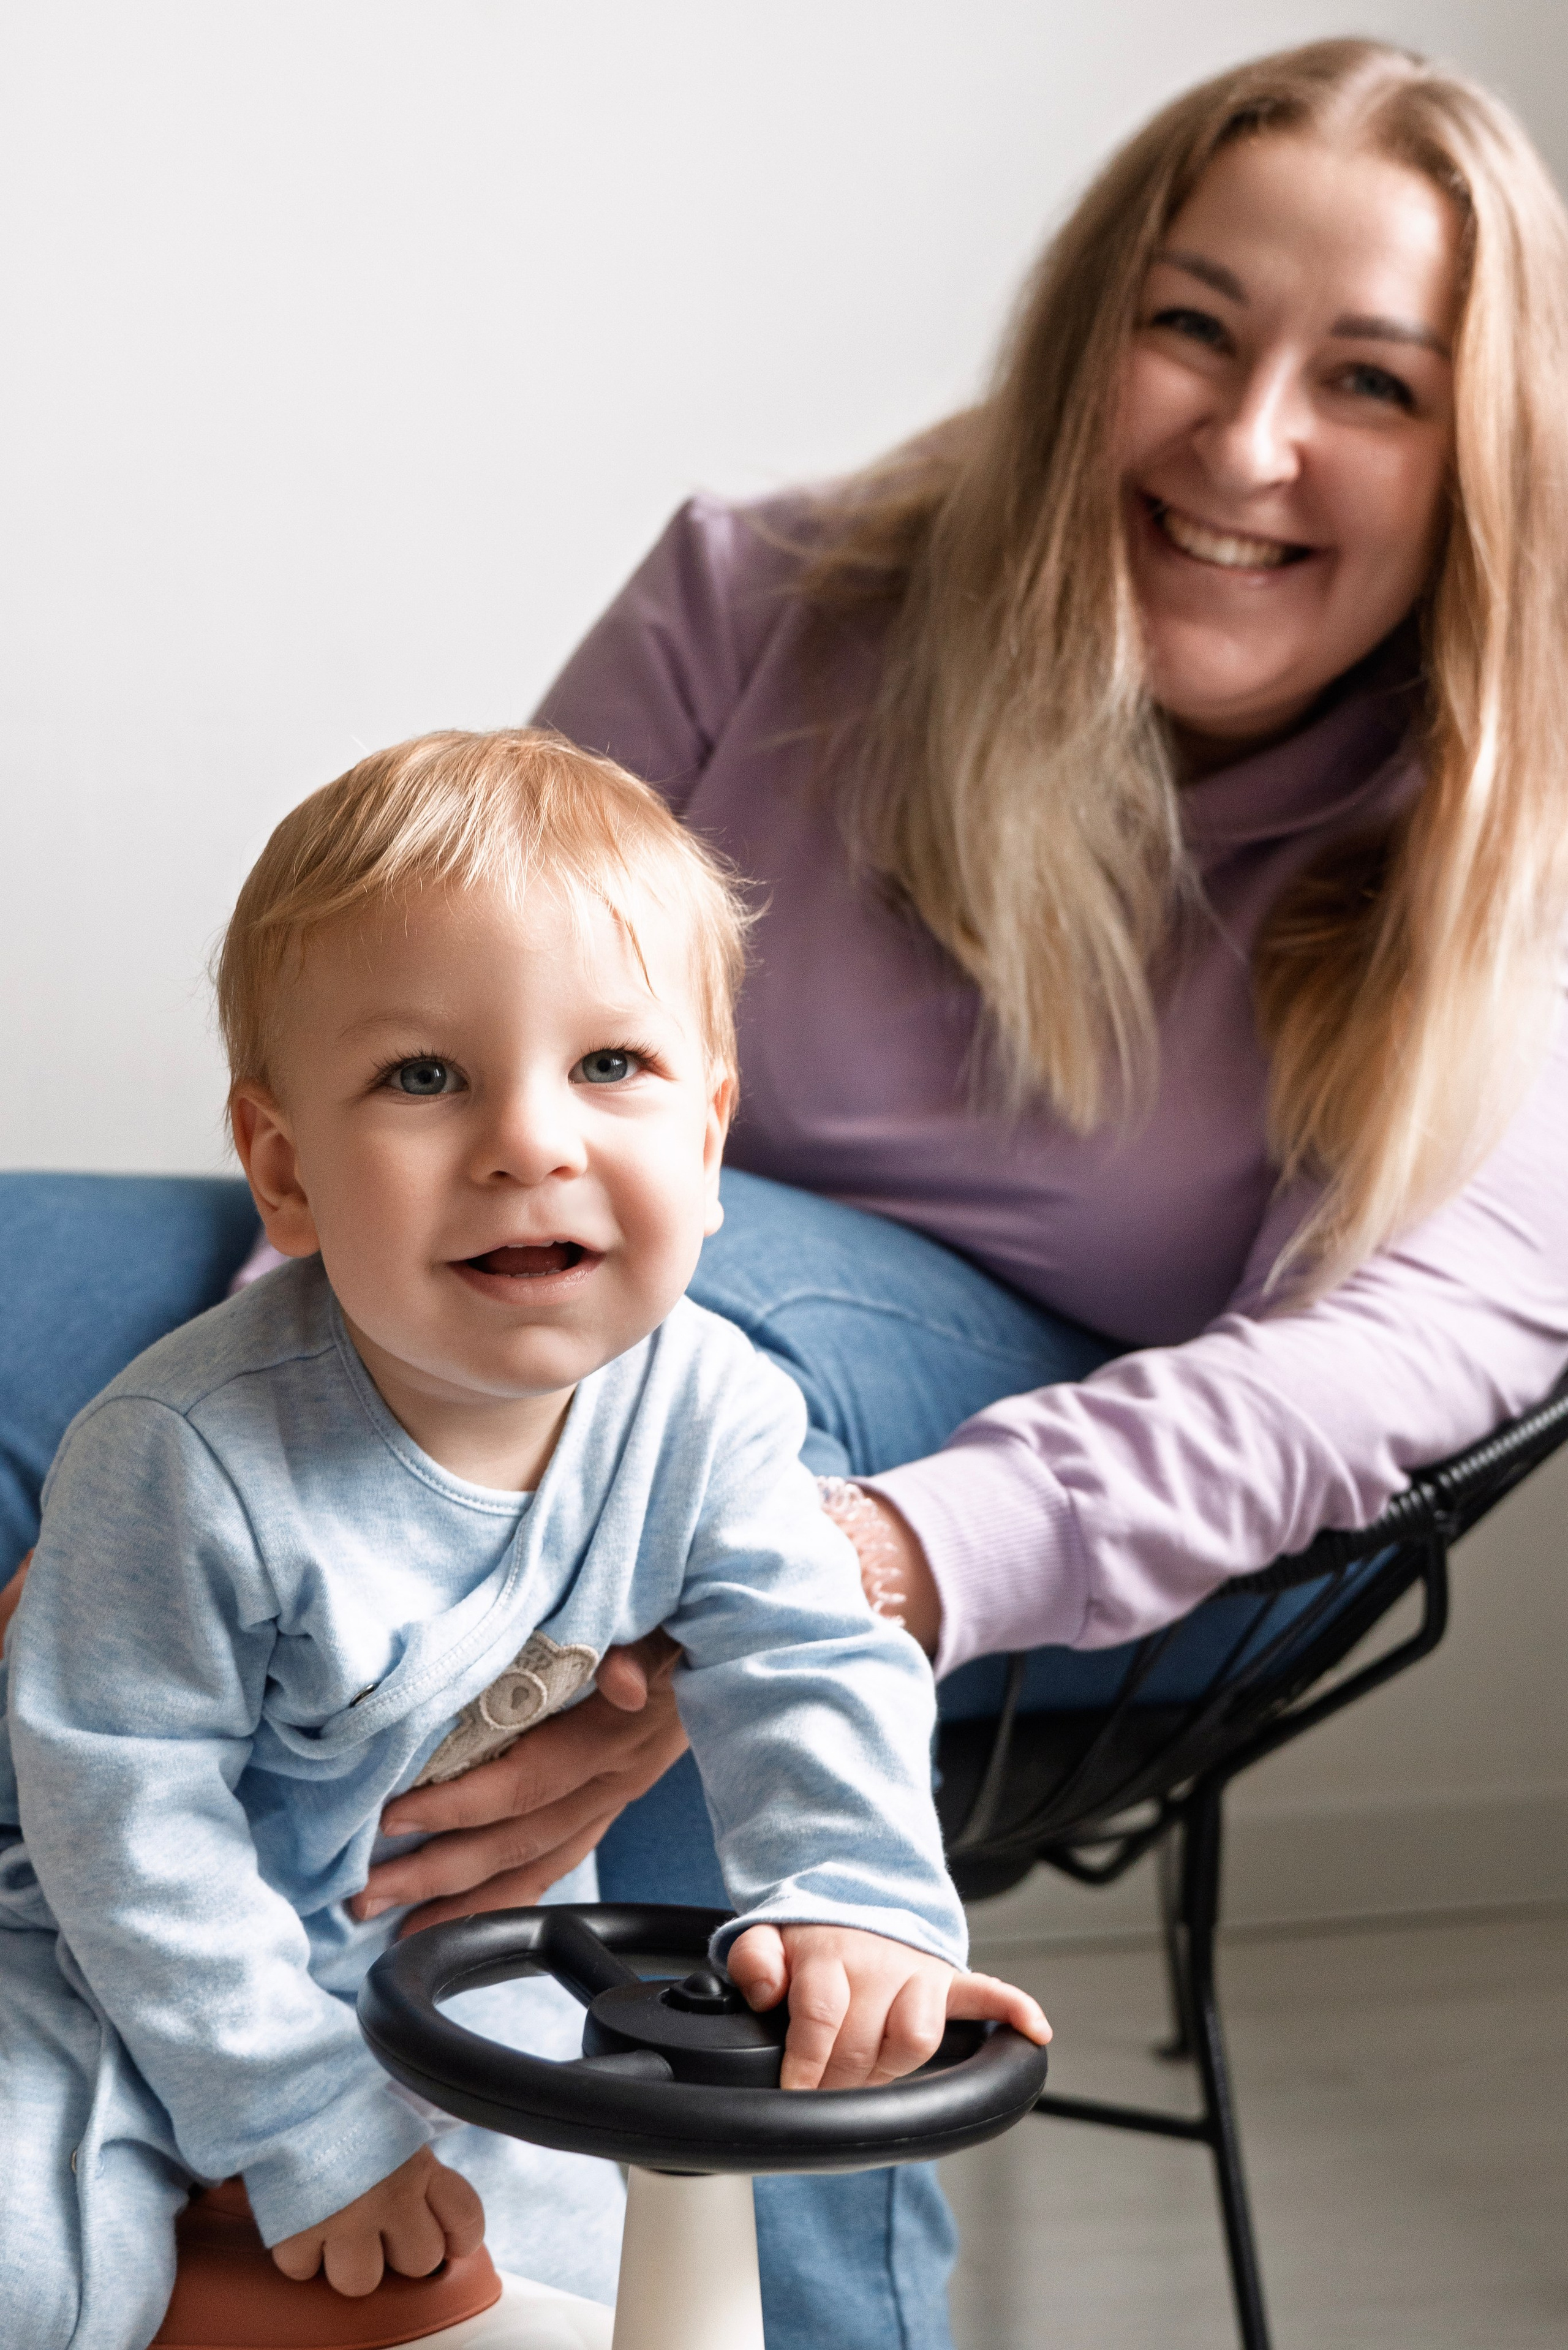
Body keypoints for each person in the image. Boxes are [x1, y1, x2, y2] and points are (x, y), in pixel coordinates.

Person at [319, 37, 1568, 2349]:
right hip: (546, 1345)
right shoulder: (759, 596)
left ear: (1476, 460)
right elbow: (441, 1015)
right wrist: (253, 1392)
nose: (1249, 438)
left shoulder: (1515, 830)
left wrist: (854, 1566)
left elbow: (1405, 1359)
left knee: (676, 1418)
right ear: (1089, 330)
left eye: (1372, 381)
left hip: (1105, 1512)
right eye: (1192, 324)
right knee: (54, 1312)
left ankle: (796, 2318)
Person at [0, 728, 1046, 2350]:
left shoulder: (715, 1412)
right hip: (81, 1952)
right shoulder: (189, 1451)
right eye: (425, 1078)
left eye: (610, 1069)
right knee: (35, 2273)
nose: (529, 1141)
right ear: (285, 1169)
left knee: (585, 2294)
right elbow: (124, 1820)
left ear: (707, 1143)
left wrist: (855, 1894)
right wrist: (302, 2128)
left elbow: (815, 1659)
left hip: (437, 1961)